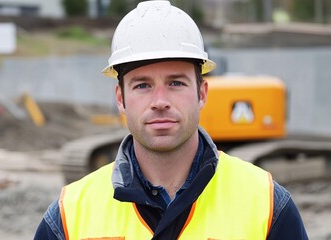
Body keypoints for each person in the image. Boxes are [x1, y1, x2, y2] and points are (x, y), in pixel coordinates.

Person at [35, 1, 308, 239]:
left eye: (176, 83)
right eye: (142, 85)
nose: (159, 101)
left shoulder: (268, 206)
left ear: (202, 93)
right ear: (120, 98)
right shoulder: (69, 217)